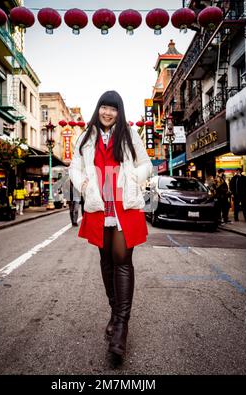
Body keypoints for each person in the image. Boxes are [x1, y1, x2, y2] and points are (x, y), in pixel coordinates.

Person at [69, 91, 152, 360]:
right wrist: (83, 184)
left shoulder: (129, 134)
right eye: (104, 107)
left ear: (119, 112)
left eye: (113, 108)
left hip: (123, 204)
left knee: (121, 258)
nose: (108, 112)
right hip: (98, 203)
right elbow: (75, 167)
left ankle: (121, 329)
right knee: (105, 259)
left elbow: (145, 164)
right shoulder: (85, 136)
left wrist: (130, 179)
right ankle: (115, 314)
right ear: (98, 109)